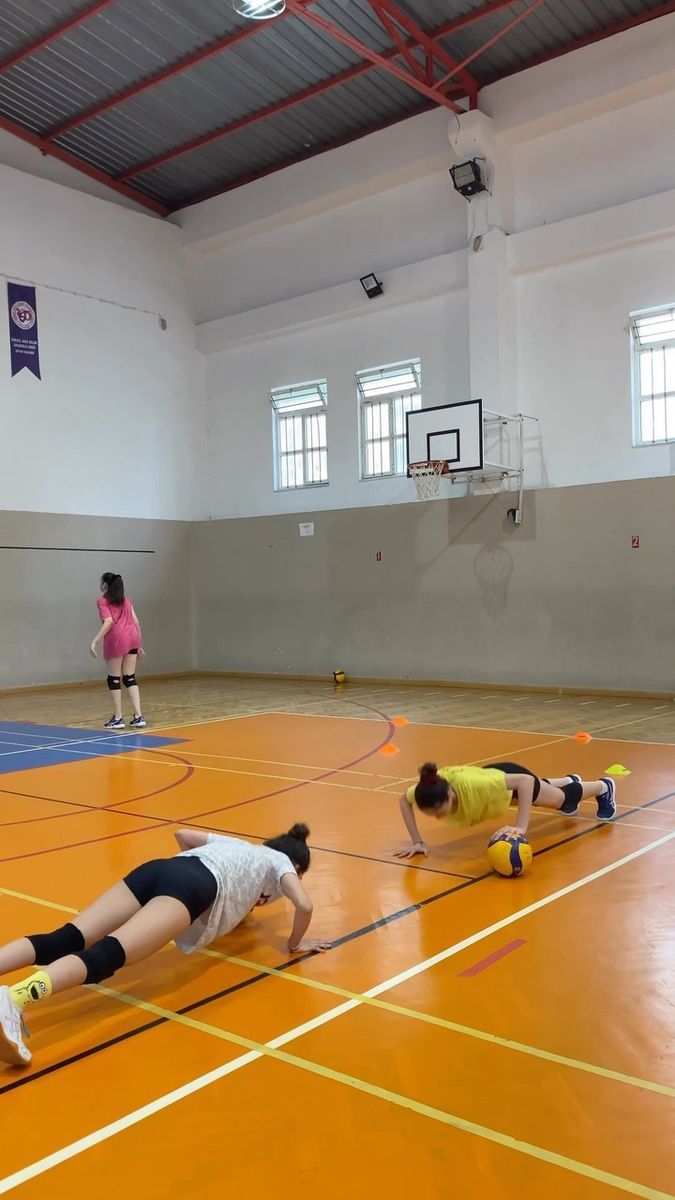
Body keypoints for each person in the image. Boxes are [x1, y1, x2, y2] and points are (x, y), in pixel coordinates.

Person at [0, 823, 330, 1068]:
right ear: (297, 867)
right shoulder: (282, 864)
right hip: (192, 887)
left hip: (162, 869)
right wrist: (296, 944)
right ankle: (13, 999)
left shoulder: (242, 847)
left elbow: (184, 836)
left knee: (67, 937)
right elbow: (305, 905)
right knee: (108, 954)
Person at [394, 760, 617, 859]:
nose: (438, 817)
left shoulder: (477, 786)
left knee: (560, 800)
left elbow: (525, 782)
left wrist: (521, 826)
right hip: (497, 784)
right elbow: (404, 801)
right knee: (541, 793)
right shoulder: (426, 789)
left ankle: (602, 787)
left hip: (509, 778)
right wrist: (417, 841)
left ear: (450, 794)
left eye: (440, 811)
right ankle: (569, 780)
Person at [91, 572, 145, 729]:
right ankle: (139, 716)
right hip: (133, 638)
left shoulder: (102, 601)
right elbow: (136, 622)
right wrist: (139, 644)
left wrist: (95, 640)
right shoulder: (126, 600)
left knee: (113, 679)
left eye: (101, 582)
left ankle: (118, 718)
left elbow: (108, 622)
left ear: (106, 585)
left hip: (117, 639)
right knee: (130, 678)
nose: (100, 584)